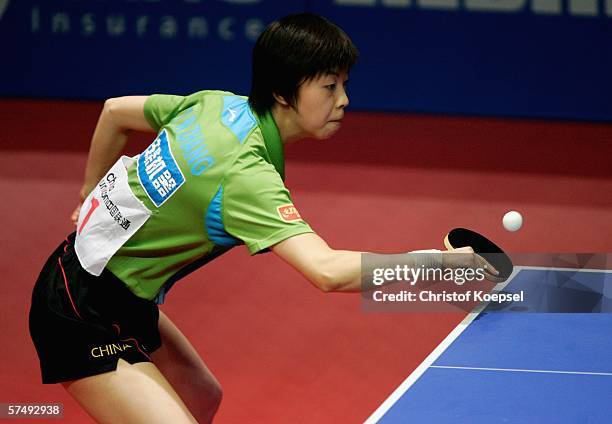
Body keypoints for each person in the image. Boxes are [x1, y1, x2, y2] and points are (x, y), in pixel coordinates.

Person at [29, 13, 496, 423]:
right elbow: (328, 272)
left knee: (200, 397)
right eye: (329, 86)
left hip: (117, 291)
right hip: (77, 309)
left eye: (344, 84)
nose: (344, 100)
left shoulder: (215, 104)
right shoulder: (245, 175)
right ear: (282, 93)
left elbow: (114, 112)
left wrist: (88, 192)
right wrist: (436, 264)